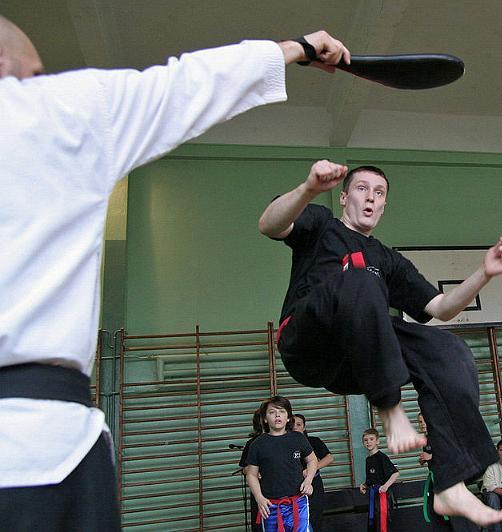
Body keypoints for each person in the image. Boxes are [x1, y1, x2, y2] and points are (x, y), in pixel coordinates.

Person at [0, 12, 349, 530]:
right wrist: (299, 46)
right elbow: (190, 83)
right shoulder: (58, 109)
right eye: (34, 74)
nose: (40, 83)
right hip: (39, 444)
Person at [259, 161, 502, 527]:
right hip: (308, 344)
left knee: (449, 351)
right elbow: (269, 224)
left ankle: (450, 483)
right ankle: (390, 409)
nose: (370, 198)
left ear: (383, 205)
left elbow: (441, 308)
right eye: (362, 189)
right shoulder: (320, 224)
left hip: (357, 359)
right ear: (344, 197)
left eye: (379, 193)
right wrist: (309, 188)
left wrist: (484, 273)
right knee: (359, 281)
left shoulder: (388, 260)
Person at [244, 396, 318, 532]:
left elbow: (312, 460)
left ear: (288, 417)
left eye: (282, 411)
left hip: (298, 502)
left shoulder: (298, 438)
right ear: (265, 419)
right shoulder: (257, 444)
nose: (277, 415)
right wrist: (259, 498)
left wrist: (308, 481)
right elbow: (251, 474)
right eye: (272, 412)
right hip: (270, 506)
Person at [292, 413, 334, 531]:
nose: (295, 427)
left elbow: (329, 458)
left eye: (299, 424)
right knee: (296, 520)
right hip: (293, 486)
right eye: (292, 424)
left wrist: (312, 469)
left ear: (304, 427)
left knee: (315, 517)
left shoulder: (313, 441)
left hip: (314, 483)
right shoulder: (285, 444)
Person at [359, 428, 400, 532]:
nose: (368, 442)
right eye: (366, 440)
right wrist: (364, 485)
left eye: (371, 439)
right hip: (373, 494)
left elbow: (395, 473)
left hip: (383, 495)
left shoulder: (382, 457)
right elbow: (371, 479)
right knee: (373, 522)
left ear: (377, 441)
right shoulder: (368, 459)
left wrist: (386, 486)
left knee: (382, 523)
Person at [241, 408, 267, 531]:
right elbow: (244, 469)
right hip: (260, 491)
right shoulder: (253, 443)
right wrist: (253, 472)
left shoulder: (288, 439)